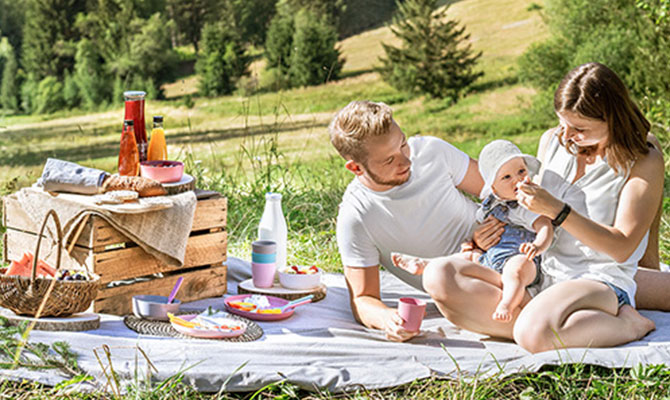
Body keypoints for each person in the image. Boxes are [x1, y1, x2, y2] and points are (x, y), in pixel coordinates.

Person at [391, 140, 554, 323]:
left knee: (514, 272)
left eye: (521, 171)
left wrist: (537, 246)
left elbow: (545, 226)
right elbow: (479, 231)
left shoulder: (527, 203)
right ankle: (426, 264)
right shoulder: (489, 206)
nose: (517, 179)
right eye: (506, 177)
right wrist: (472, 244)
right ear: (493, 188)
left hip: (522, 257)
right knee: (467, 257)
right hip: (491, 256)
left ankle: (507, 304)